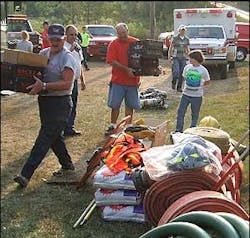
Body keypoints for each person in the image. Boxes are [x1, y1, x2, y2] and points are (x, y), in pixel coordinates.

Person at [13, 24, 76, 187]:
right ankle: (68, 166)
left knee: (45, 138)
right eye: (52, 39)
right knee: (54, 137)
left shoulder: (67, 57)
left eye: (58, 39)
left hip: (60, 103)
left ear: (63, 39)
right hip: (45, 101)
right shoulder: (43, 53)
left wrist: (45, 86)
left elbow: (67, 83)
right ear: (47, 38)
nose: (55, 42)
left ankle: (25, 174)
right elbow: (32, 74)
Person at [105, 22, 141, 136]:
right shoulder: (113, 44)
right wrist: (126, 69)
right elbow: (111, 61)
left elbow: (145, 58)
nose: (122, 36)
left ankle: (128, 126)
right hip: (118, 81)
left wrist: (154, 67)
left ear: (128, 31)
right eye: (119, 33)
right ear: (117, 33)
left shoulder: (136, 42)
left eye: (124, 33)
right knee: (115, 105)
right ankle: (113, 125)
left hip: (133, 81)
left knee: (130, 104)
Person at [175, 50, 210, 133]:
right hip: (186, 94)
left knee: (194, 114)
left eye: (191, 58)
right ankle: (178, 130)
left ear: (196, 59)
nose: (189, 60)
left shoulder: (203, 70)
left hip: (197, 96)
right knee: (180, 113)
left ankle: (192, 131)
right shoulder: (187, 67)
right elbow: (184, 77)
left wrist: (200, 84)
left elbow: (208, 81)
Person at [64, 24, 86, 136]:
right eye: (71, 34)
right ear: (66, 35)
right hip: (66, 81)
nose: (73, 37)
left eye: (75, 34)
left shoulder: (78, 47)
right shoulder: (63, 47)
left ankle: (69, 128)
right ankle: (62, 128)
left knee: (73, 105)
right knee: (66, 106)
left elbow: (79, 64)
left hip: (75, 81)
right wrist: (70, 49)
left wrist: (83, 80)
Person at [168, 24, 190, 92]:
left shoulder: (186, 39)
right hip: (176, 57)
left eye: (184, 30)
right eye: (181, 30)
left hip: (183, 57)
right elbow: (171, 47)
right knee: (176, 71)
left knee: (182, 73)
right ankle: (174, 82)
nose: (182, 32)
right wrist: (169, 56)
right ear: (179, 31)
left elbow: (187, 48)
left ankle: (179, 87)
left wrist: (190, 56)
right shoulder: (175, 38)